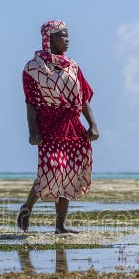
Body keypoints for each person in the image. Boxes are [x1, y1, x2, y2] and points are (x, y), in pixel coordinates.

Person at [18, 20, 99, 234]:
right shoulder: (33, 69)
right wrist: (32, 131)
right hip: (49, 126)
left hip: (73, 126)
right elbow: (31, 103)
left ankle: (60, 226)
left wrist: (93, 124)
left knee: (69, 173)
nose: (67, 39)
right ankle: (27, 207)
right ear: (50, 38)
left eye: (67, 35)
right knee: (53, 169)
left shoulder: (73, 67)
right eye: (63, 35)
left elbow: (83, 99)